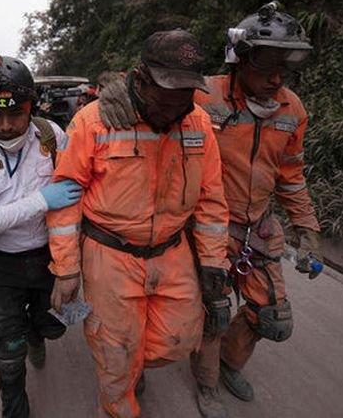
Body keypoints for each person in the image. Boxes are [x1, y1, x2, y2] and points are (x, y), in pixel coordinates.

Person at [96, 2, 324, 418]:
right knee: (213, 310)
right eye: (266, 65)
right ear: (240, 60)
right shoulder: (204, 95)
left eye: (283, 69)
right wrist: (113, 85)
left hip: (258, 225)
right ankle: (206, 385)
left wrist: (306, 226)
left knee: (272, 317)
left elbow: (291, 174)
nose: (275, 79)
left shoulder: (293, 110)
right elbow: (151, 93)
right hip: (203, 224)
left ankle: (227, 364)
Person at [46, 30, 230, 417]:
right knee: (116, 358)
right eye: (168, 92)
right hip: (109, 255)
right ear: (141, 79)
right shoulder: (94, 121)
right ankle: (120, 394)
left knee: (178, 339)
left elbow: (211, 199)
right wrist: (66, 268)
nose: (178, 105)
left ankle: (132, 364)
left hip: (172, 251)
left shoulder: (196, 123)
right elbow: (64, 198)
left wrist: (214, 262)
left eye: (187, 93)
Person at [0, 55, 81, 418]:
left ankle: (38, 333)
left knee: (52, 326)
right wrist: (41, 200)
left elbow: (76, 197)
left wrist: (71, 265)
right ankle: (14, 406)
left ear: (31, 106)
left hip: (46, 259)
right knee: (9, 347)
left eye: (16, 113)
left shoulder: (54, 138)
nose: (6, 126)